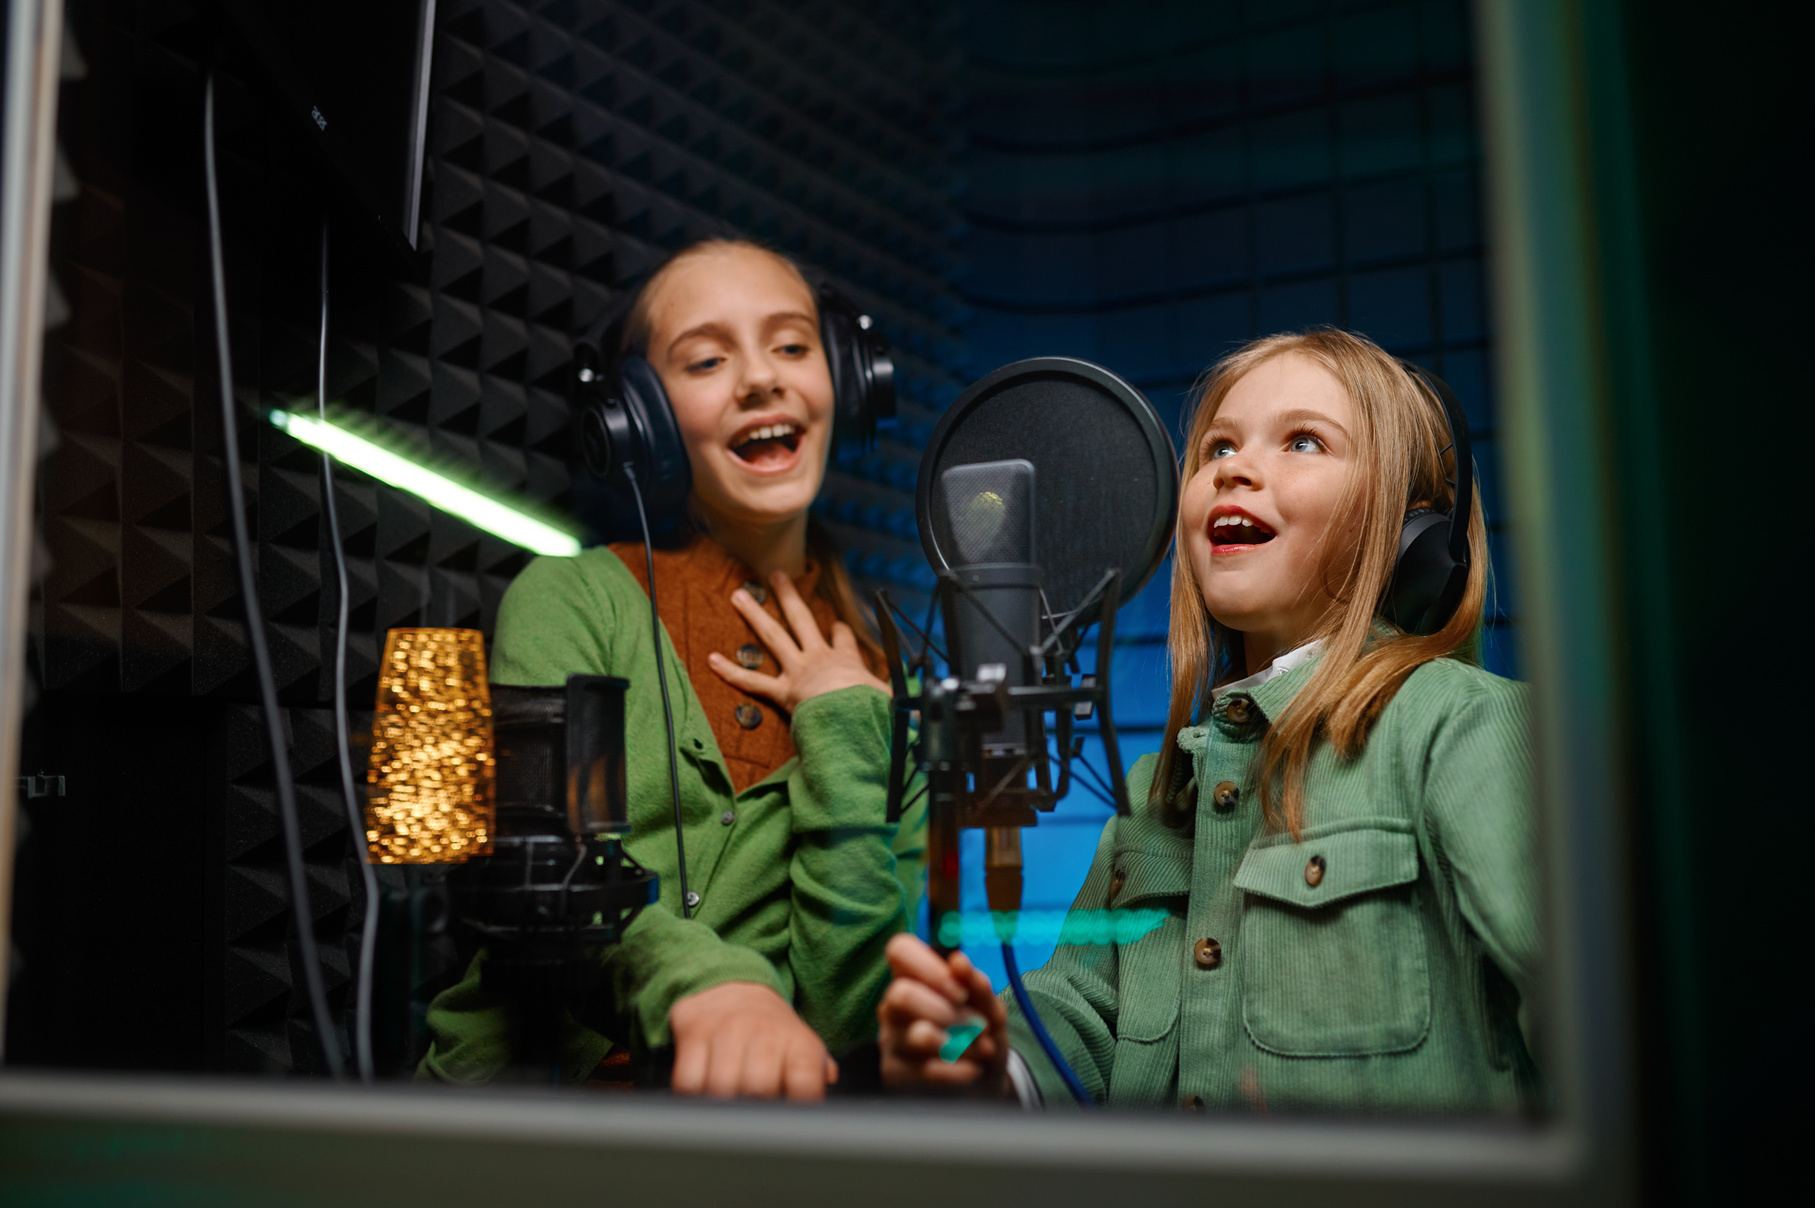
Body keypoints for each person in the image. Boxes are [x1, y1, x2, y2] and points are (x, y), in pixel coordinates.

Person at [877, 328, 1540, 1114]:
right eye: (1216, 447)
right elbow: (1079, 1013)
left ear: (1408, 530)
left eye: (1302, 441)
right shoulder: (1155, 794)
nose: (1233, 467)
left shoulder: (1458, 730)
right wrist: (990, 1063)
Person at [421, 239, 925, 1100]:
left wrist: (843, 730)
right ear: (637, 416)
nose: (761, 379)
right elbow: (539, 877)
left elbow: (850, 1017)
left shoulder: (885, 679)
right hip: (530, 1117)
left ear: (846, 376)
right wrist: (706, 989)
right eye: (705, 359)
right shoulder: (572, 600)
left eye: (793, 345)